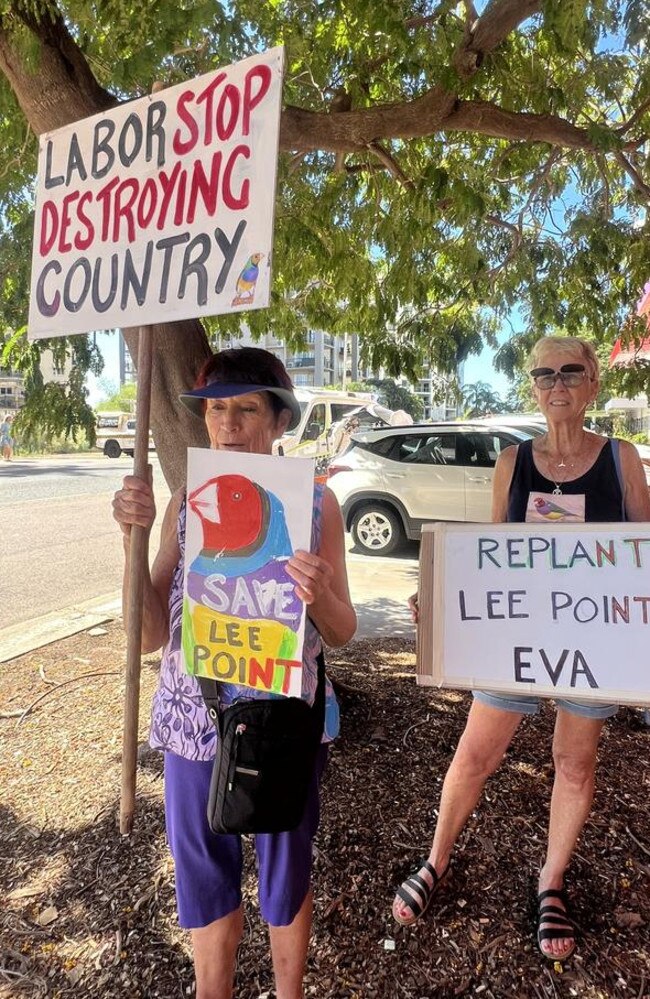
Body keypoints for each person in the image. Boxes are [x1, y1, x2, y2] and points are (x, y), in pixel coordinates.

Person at [393, 335, 650, 962]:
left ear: (592, 382)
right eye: (544, 374)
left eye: (570, 371)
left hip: (596, 646)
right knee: (474, 755)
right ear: (533, 387)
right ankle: (436, 859)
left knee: (574, 764)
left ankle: (551, 881)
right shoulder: (513, 462)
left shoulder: (622, 460)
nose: (556, 384)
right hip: (517, 642)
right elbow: (492, 560)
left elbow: (644, 554)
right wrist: (445, 603)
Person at [112, 347, 357, 999]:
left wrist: (322, 595)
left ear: (279, 421)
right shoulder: (186, 506)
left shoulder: (314, 504)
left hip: (282, 720)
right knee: (204, 876)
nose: (227, 425)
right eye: (217, 409)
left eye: (246, 409)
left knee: (284, 871)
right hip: (193, 721)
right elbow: (151, 635)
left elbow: (342, 628)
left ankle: (287, 992)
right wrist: (131, 544)